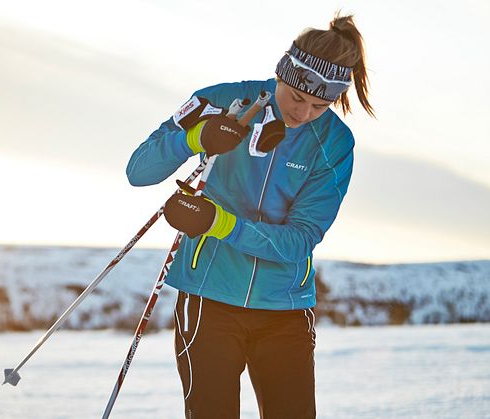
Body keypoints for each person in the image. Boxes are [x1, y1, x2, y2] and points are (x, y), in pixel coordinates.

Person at [125, 13, 375, 419]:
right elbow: (139, 171)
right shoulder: (224, 100)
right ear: (282, 72)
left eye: (320, 104)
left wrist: (217, 223)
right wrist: (196, 137)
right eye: (297, 97)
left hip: (285, 309)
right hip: (209, 299)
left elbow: (300, 240)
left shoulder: (333, 142)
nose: (304, 113)